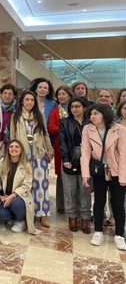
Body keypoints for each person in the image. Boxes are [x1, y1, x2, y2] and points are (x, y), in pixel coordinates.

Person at [81, 104, 126, 250]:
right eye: (91, 114)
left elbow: (124, 154)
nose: (92, 116)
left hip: (117, 171)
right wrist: (85, 174)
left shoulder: (119, 129)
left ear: (104, 114)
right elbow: (85, 152)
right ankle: (98, 232)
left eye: (95, 113)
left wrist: (123, 176)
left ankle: (119, 234)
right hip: (99, 171)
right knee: (99, 201)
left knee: (118, 204)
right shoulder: (88, 129)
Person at [10, 90, 54, 227]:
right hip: (23, 155)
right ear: (22, 101)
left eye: (32, 100)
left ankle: (43, 214)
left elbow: (45, 133)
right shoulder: (15, 116)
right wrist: (14, 152)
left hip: (39, 154)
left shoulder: (39, 115)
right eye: (27, 99)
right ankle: (28, 213)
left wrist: (50, 149)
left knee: (41, 186)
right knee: (25, 186)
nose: (29, 102)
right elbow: (12, 136)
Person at [59, 97, 92, 233]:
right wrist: (66, 158)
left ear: (84, 108)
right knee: (70, 190)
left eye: (78, 106)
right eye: (72, 107)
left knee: (85, 190)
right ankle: (72, 217)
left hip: (88, 159)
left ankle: (85, 218)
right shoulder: (64, 122)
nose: (74, 109)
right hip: (70, 157)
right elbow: (63, 141)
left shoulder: (91, 123)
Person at [0, 140, 36, 234]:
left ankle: (21, 220)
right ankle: (13, 217)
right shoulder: (1, 162)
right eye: (11, 146)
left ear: (21, 150)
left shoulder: (27, 165)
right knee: (1, 215)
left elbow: (26, 186)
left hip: (20, 197)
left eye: (17, 147)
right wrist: (0, 196)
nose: (14, 149)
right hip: (6, 196)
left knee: (15, 203)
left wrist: (12, 196)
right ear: (8, 149)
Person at [48, 85, 74, 215]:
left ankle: (75, 205)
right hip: (60, 146)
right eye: (59, 94)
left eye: (64, 94)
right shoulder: (54, 111)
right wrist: (65, 127)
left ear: (69, 95)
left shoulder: (75, 108)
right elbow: (51, 128)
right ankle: (61, 205)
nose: (61, 96)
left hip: (75, 145)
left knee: (76, 174)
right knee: (61, 175)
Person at [0, 83, 17, 161]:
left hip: (12, 144)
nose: (7, 96)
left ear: (14, 96)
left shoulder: (17, 109)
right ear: (1, 94)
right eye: (5, 93)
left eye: (10, 94)